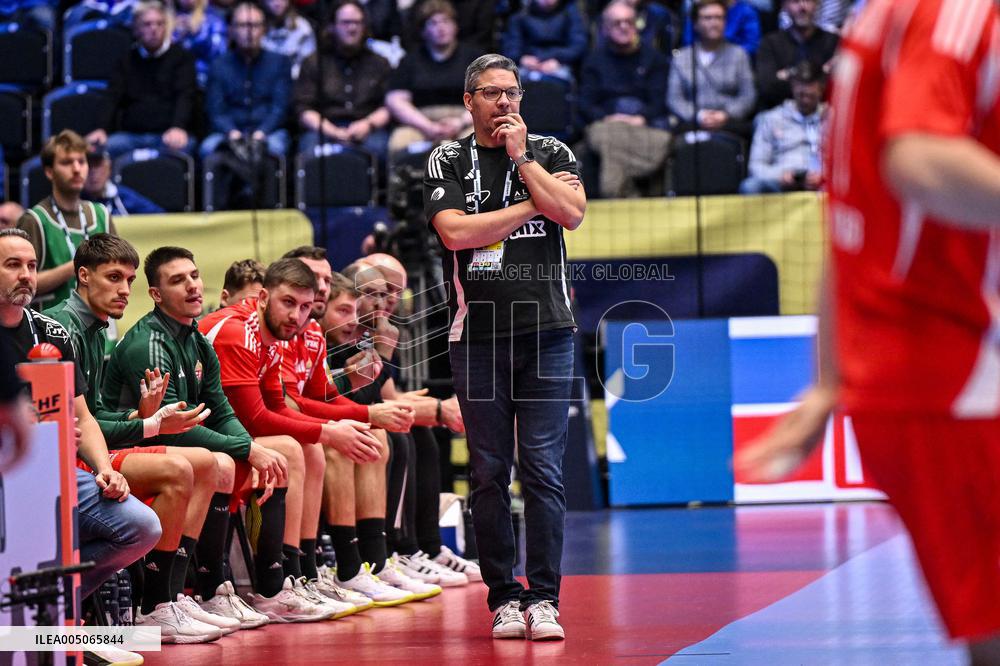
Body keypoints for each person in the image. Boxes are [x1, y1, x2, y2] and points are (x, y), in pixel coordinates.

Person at [738, 0, 1000, 662]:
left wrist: (829, 383)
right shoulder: (956, 13)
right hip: (956, 370)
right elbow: (917, 157)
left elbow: (852, 225)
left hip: (925, 368)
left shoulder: (882, 18)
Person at [423, 53, 585, 641]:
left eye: (513, 93)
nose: (506, 104)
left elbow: (571, 214)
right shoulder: (447, 157)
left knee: (543, 469)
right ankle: (503, 597)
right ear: (470, 101)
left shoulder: (552, 151)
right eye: (493, 94)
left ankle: (544, 598)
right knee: (491, 472)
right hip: (479, 336)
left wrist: (523, 161)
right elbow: (457, 232)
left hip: (548, 333)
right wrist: (530, 205)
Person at [46, 234, 248, 640]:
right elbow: (81, 425)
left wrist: (141, 416)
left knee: (208, 464)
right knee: (180, 468)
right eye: (113, 277)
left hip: (97, 449)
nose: (123, 290)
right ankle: (153, 603)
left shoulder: (95, 327)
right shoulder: (63, 328)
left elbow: (94, 416)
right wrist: (150, 424)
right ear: (83, 276)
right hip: (62, 460)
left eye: (129, 280)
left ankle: (168, 597)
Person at [101, 247, 315, 624]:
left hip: (166, 442)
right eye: (177, 280)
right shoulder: (150, 343)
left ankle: (254, 587)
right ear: (155, 294)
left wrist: (247, 447)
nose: (192, 286)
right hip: (129, 444)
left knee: (271, 454)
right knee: (213, 462)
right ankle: (179, 595)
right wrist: (247, 447)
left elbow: (223, 412)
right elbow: (172, 429)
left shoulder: (196, 339)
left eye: (194, 276)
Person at [199, 257, 387, 615]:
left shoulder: (274, 338)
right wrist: (331, 431)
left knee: (309, 447)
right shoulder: (239, 331)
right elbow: (256, 416)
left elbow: (278, 407)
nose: (297, 316)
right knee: (294, 448)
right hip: (194, 432)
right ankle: (275, 585)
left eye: (304, 307)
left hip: (221, 432)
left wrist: (330, 431)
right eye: (288, 303)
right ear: (264, 297)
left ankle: (298, 576)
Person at [0, 228, 161, 626]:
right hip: (6, 473)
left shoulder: (50, 334)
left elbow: (83, 416)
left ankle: (53, 608)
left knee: (142, 527)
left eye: (32, 266)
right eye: (12, 265)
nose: (26, 275)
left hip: (54, 474)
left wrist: (105, 468)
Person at [276, 249, 428, 604]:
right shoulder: (287, 330)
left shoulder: (312, 332)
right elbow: (291, 403)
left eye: (327, 282)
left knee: (380, 436)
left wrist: (372, 411)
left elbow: (324, 396)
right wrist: (368, 409)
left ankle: (376, 559)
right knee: (330, 443)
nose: (320, 289)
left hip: (286, 421)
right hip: (267, 429)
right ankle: (324, 569)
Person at [579, 0, 671, 198]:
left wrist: (641, 118)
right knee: (607, 135)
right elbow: (586, 103)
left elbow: (659, 100)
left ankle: (616, 193)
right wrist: (607, 118)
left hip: (644, 127)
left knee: (613, 143)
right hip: (606, 125)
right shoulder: (594, 61)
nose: (624, 27)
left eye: (629, 22)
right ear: (605, 28)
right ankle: (622, 193)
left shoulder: (654, 59)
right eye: (617, 23)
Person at [16, 131, 116, 310]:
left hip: (100, 329)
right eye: (67, 162)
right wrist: (77, 265)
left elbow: (119, 272)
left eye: (81, 161)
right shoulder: (35, 220)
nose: (77, 169)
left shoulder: (101, 214)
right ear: (49, 172)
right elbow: (21, 283)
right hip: (51, 330)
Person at [87, 0, 198, 158]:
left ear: (166, 27)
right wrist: (101, 128)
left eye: (159, 24)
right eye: (147, 24)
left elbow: (185, 96)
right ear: (136, 29)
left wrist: (178, 127)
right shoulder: (126, 60)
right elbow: (112, 96)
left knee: (184, 147)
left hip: (167, 134)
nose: (154, 29)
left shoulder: (181, 58)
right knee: (103, 148)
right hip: (131, 135)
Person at [294, 1, 393, 163]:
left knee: (381, 150)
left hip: (368, 127)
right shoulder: (314, 62)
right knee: (310, 153)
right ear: (332, 26)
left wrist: (368, 124)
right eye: (346, 23)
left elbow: (389, 106)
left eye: (357, 22)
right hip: (324, 127)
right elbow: (303, 108)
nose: (352, 28)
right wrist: (332, 131)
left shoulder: (380, 63)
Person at [384, 0, 480, 158]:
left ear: (455, 26)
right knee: (399, 144)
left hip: (466, 120)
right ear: (423, 31)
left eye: (446, 21)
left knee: (479, 143)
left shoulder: (474, 58)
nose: (441, 28)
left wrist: (460, 122)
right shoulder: (410, 61)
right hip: (420, 123)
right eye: (433, 23)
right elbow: (395, 100)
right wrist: (427, 126)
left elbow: (485, 97)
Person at [203, 2, 293, 161]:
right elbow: (216, 110)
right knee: (208, 148)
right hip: (228, 131)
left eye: (255, 25)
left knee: (276, 147)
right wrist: (232, 133)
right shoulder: (218, 65)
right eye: (242, 25)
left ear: (264, 29)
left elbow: (280, 108)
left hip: (268, 131)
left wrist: (261, 134)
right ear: (231, 30)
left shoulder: (280, 62)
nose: (249, 32)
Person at [668, 0, 756, 137]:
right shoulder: (682, 57)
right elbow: (674, 98)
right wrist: (699, 115)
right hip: (693, 123)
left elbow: (748, 96)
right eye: (707, 18)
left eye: (719, 18)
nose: (714, 23)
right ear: (695, 24)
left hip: (730, 123)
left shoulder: (739, 55)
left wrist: (726, 114)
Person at [740, 61, 826, 194]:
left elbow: (848, 165)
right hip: (781, 181)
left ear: (821, 89)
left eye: (810, 96)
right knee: (751, 186)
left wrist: (824, 175)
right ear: (793, 87)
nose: (805, 100)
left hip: (824, 181)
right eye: (801, 95)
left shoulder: (834, 119)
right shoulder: (771, 119)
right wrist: (781, 175)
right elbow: (756, 167)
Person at [755, 0, 838, 109]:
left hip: (824, 113)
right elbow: (767, 87)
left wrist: (788, 74)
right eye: (795, 1)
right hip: (778, 114)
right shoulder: (770, 43)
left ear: (818, 4)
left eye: (809, 1)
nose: (803, 7)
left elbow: (838, 88)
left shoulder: (833, 42)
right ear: (784, 6)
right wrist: (820, 75)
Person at [501, 0, 589, 81]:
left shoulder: (571, 13)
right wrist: (522, 59)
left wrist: (558, 60)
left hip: (560, 64)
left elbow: (578, 45)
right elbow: (511, 46)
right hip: (526, 65)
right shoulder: (520, 14)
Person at [83, 149, 164, 216]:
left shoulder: (123, 196)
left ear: (109, 168)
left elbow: (160, 216)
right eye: (89, 165)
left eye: (97, 165)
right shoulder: (74, 200)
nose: (93, 173)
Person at [172, 0, 229, 87]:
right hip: (177, 80)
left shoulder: (214, 17)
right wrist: (176, 35)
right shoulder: (169, 17)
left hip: (206, 80)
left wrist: (197, 34)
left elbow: (220, 53)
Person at [261, 0, 316, 79]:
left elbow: (309, 63)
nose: (277, 3)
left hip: (297, 80)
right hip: (265, 79)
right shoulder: (256, 26)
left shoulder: (302, 28)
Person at [682, 0, 761, 55]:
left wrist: (725, 55)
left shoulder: (746, 11)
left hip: (734, 61)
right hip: (701, 58)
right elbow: (688, 41)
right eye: (708, 18)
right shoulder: (701, 8)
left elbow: (752, 44)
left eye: (718, 17)